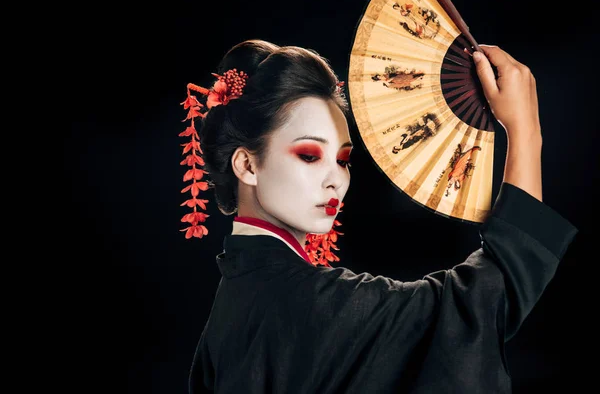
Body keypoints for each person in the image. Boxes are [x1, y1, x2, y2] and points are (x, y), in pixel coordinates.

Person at [181, 39, 578, 393]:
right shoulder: (309, 303)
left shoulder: (229, 314)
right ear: (247, 165)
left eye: (343, 160)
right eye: (309, 155)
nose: (335, 180)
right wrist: (525, 129)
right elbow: (484, 300)